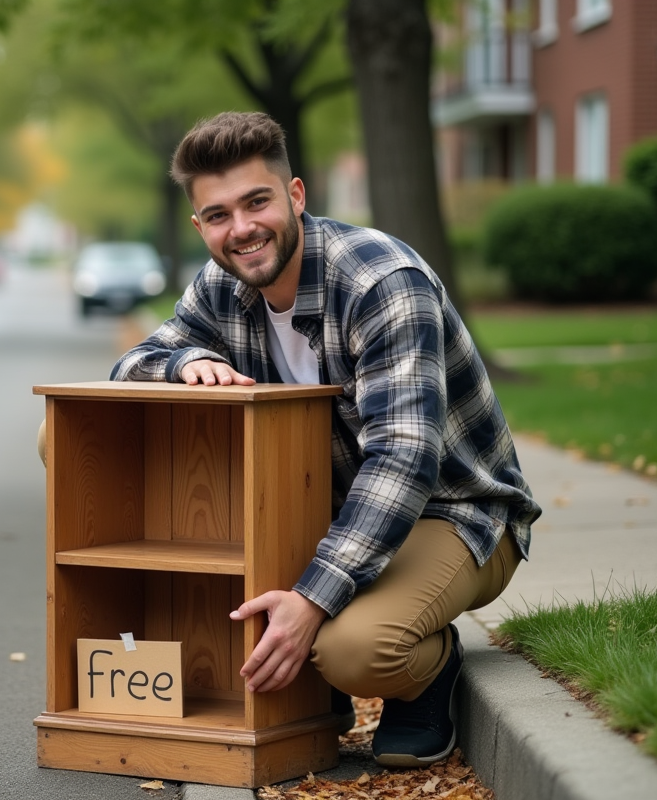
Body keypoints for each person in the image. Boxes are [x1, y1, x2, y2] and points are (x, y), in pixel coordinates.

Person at [109, 111, 541, 767]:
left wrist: (312, 600)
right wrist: (181, 364)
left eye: (257, 202)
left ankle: (433, 666)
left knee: (352, 650)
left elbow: (403, 462)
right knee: (63, 438)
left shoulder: (379, 281)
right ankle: (311, 684)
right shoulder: (221, 281)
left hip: (453, 510)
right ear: (200, 227)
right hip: (332, 510)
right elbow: (130, 364)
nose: (243, 229)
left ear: (296, 195)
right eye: (219, 215)